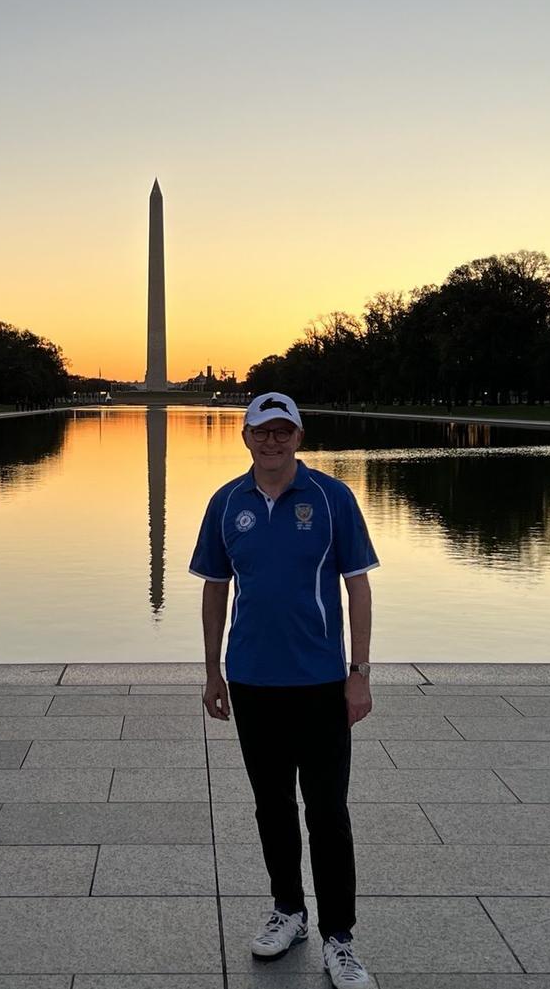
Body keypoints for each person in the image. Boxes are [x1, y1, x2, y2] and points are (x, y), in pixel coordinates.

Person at [189, 392, 378, 989]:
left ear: (298, 436)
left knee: (327, 813)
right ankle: (288, 911)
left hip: (321, 681)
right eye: (260, 433)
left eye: (282, 432)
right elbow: (215, 588)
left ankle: (339, 938)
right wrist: (213, 671)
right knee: (271, 806)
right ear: (245, 437)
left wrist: (359, 672)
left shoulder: (332, 498)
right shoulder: (225, 503)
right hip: (252, 680)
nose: (271, 442)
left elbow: (358, 588)